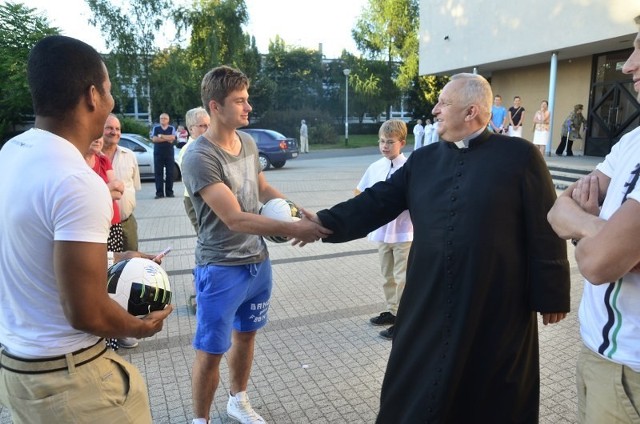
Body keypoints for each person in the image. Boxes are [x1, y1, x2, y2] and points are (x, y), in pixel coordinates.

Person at [310, 73, 570, 423]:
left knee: (490, 390)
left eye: (443, 103)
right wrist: (321, 223)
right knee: (416, 383)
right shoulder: (424, 160)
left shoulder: (520, 156)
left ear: (471, 111)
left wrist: (551, 293)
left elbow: (545, 225)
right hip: (428, 296)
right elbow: (377, 201)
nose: (435, 110)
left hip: (494, 301)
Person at [0, 35, 172, 424]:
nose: (111, 101)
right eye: (109, 90)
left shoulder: (11, 153)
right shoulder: (77, 181)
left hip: (19, 370)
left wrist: (117, 256)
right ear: (93, 96)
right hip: (71, 381)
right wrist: (140, 327)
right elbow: (86, 311)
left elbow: (32, 245)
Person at [181, 65, 330, 424]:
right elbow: (235, 218)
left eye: (248, 100)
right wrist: (290, 227)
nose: (248, 107)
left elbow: (262, 188)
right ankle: (199, 420)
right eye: (240, 101)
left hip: (257, 263)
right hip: (220, 268)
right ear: (215, 107)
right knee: (210, 351)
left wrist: (300, 212)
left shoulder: (246, 142)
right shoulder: (199, 156)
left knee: (246, 337)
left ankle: (238, 400)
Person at [547, 18, 640, 423]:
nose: (627, 65)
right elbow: (556, 209)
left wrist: (588, 231)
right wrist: (603, 233)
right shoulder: (633, 140)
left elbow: (597, 265)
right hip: (598, 357)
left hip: (630, 371)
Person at [358, 120, 413, 341]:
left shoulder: (410, 168)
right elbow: (361, 192)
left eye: (390, 142)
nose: (385, 146)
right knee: (387, 275)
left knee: (403, 278)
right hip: (383, 232)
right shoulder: (375, 167)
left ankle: (404, 319)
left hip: (405, 233)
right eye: (382, 141)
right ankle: (391, 310)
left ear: (402, 143)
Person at [177, 106, 210, 314]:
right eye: (202, 126)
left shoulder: (208, 146)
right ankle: (200, 292)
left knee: (210, 244)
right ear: (190, 128)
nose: (207, 129)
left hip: (208, 200)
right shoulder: (188, 152)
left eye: (209, 124)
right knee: (207, 244)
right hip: (196, 202)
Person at [102, 113, 141, 252]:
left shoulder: (129, 155)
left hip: (127, 222)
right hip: (102, 226)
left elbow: (134, 186)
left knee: (132, 265)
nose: (114, 132)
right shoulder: (92, 157)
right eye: (109, 128)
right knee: (108, 267)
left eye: (117, 129)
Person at [85, 137, 125, 253]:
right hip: (90, 225)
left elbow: (118, 191)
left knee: (113, 264)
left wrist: (93, 195)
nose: (97, 140)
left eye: (100, 137)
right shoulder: (77, 163)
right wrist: (107, 189)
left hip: (112, 222)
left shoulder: (103, 160)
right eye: (93, 136)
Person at [151, 112, 176, 198]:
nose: (163, 120)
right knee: (158, 173)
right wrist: (167, 138)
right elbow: (154, 139)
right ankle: (159, 193)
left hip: (169, 153)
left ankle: (169, 192)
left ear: (168, 120)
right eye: (161, 118)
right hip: (158, 153)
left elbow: (172, 138)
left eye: (165, 118)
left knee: (170, 173)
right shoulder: (156, 128)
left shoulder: (171, 128)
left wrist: (161, 136)